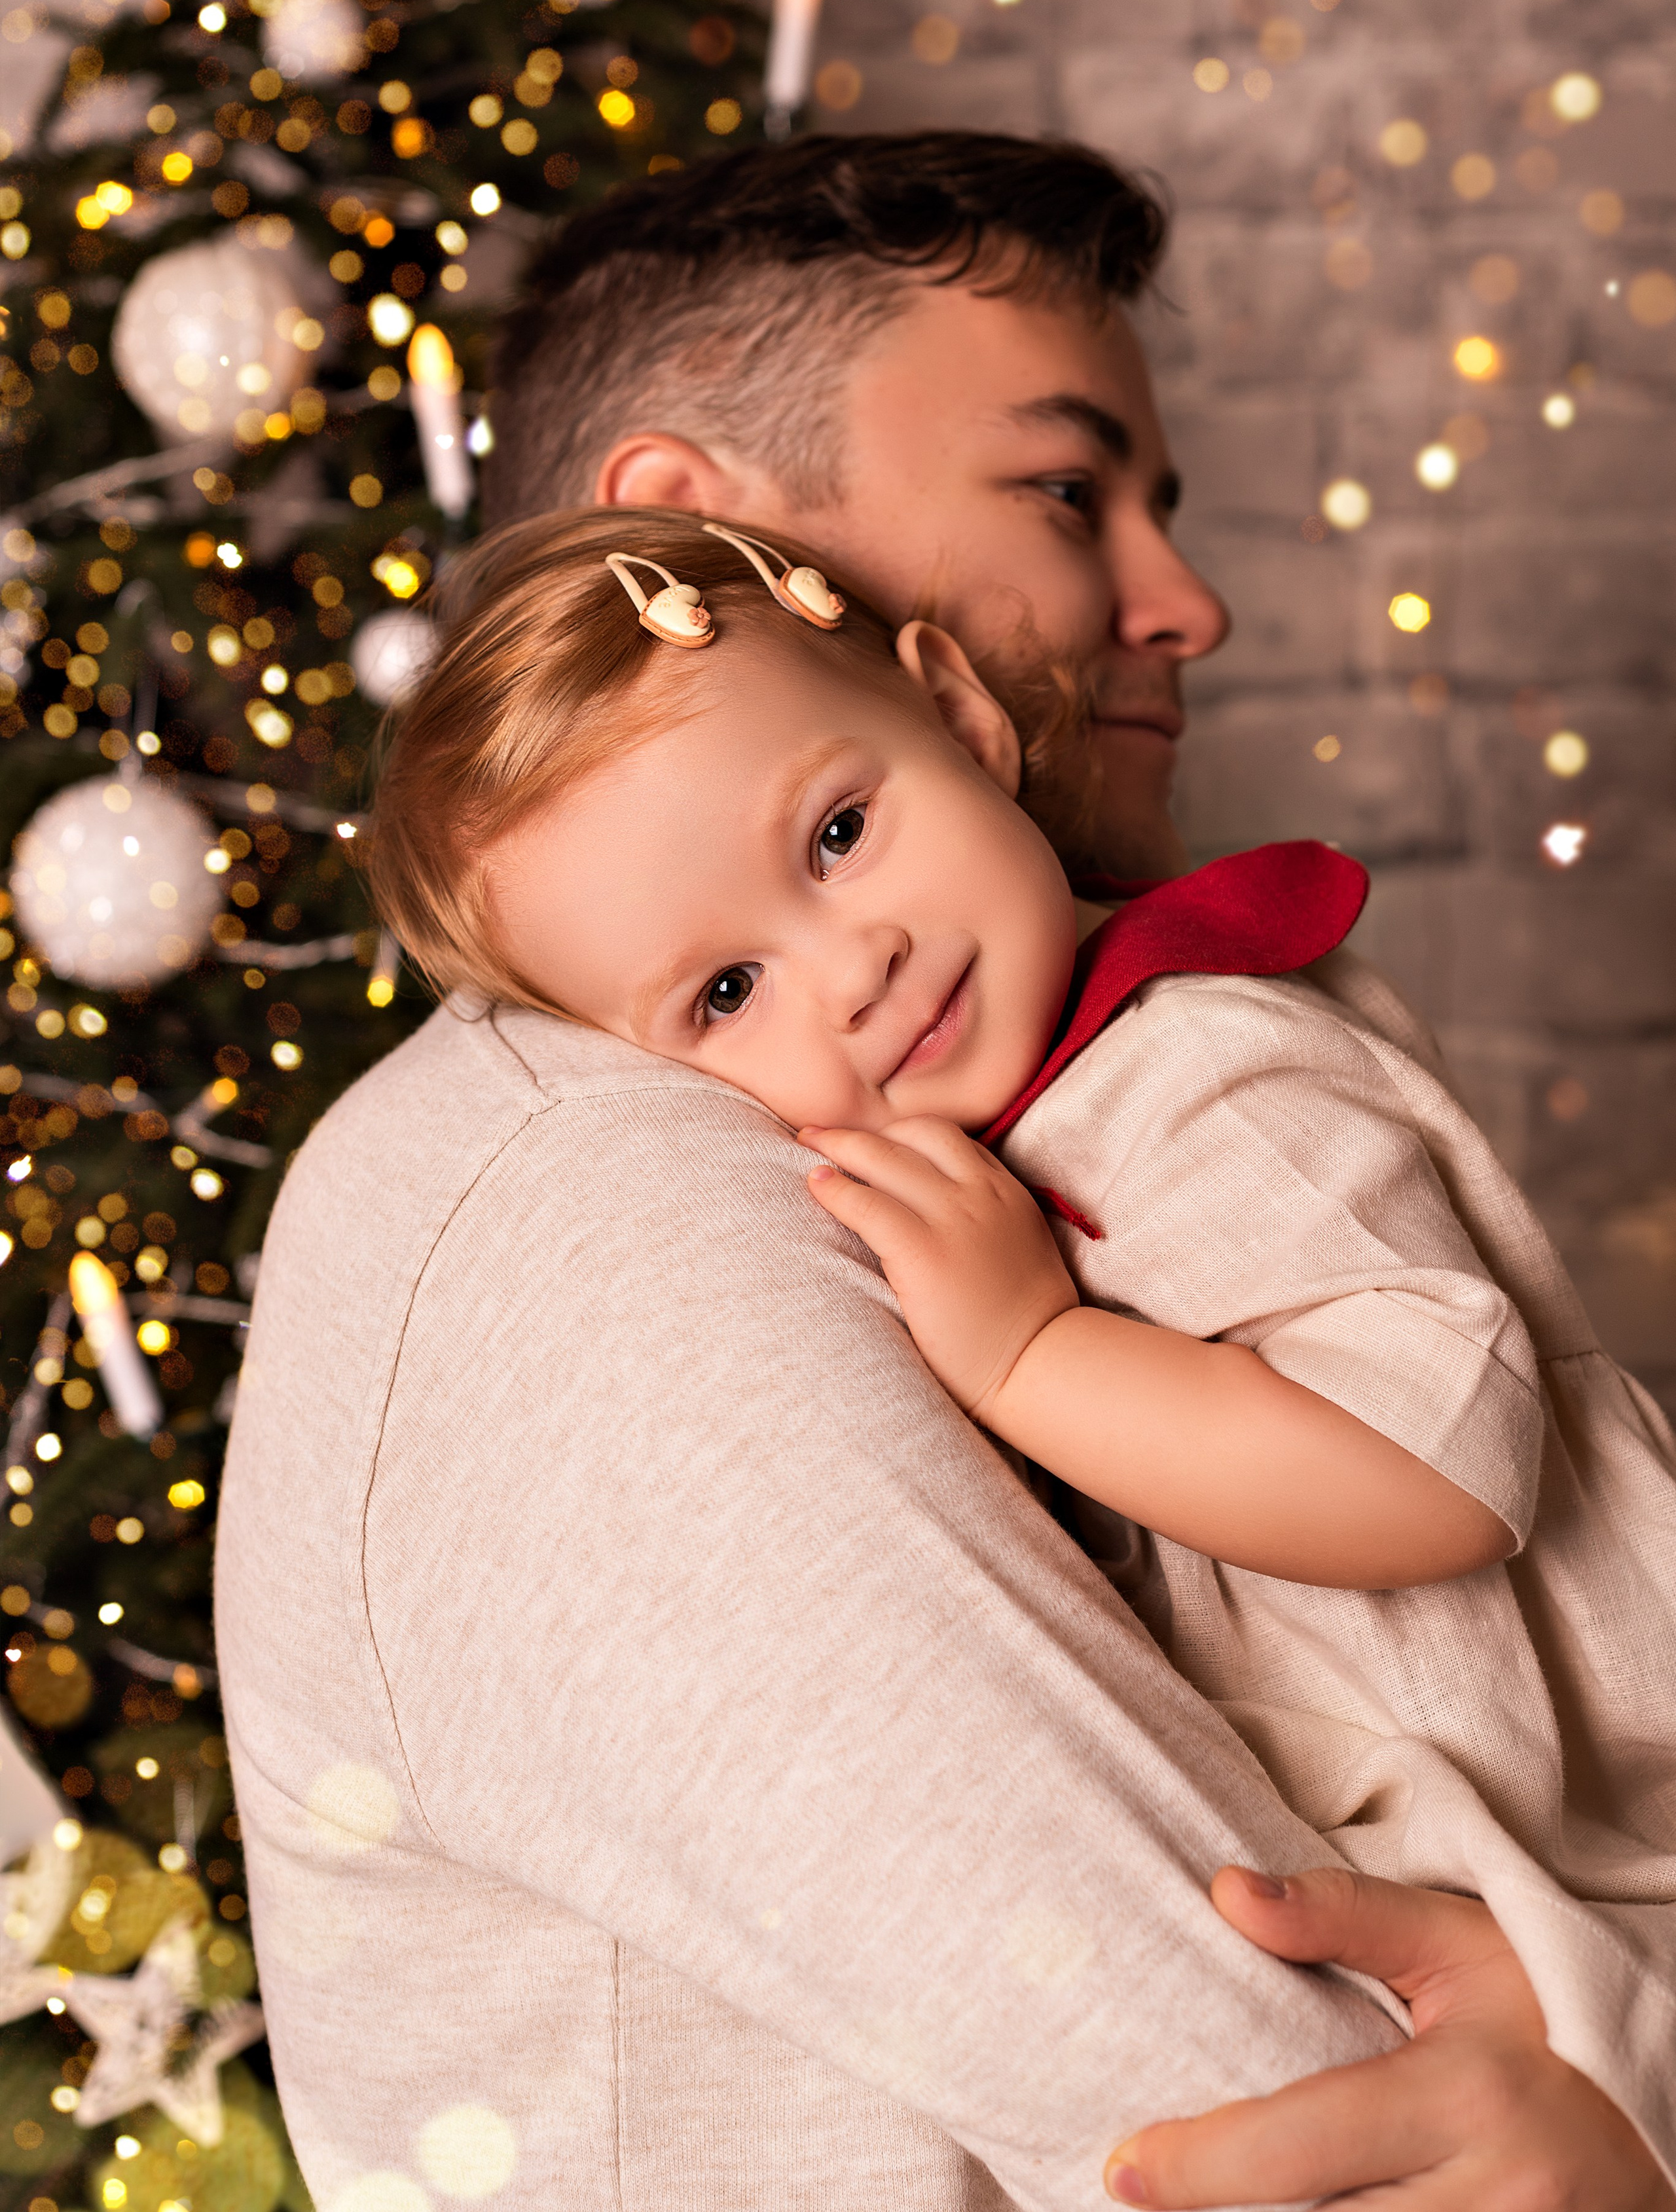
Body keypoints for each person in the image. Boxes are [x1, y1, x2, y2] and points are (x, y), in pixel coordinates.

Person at [215, 134, 1674, 2209]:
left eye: (839, 836)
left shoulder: (1130, 1074)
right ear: (689, 519)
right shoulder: (597, 1206)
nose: (1183, 604)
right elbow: (1276, 2122)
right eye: (1067, 491)